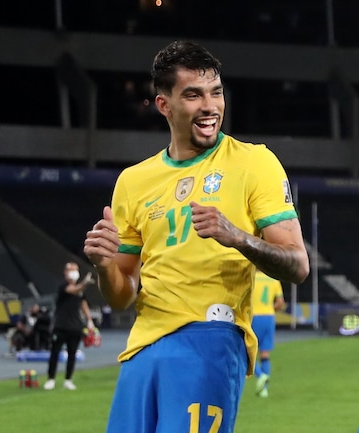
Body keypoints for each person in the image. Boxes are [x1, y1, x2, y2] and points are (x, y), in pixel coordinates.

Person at [83, 40, 309, 433]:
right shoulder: (133, 182)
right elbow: (122, 294)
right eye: (193, 95)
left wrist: (238, 236)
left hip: (210, 338)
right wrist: (105, 268)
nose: (210, 106)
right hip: (141, 346)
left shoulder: (254, 162)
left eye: (216, 92)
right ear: (164, 105)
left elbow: (297, 264)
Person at [44, 262, 95, 391]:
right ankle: (51, 379)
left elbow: (83, 304)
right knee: (54, 353)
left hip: (75, 326)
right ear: (66, 272)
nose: (75, 272)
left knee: (72, 354)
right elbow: (74, 290)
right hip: (61, 325)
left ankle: (68, 380)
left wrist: (89, 320)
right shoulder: (64, 286)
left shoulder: (80, 289)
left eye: (76, 270)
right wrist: (84, 284)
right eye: (72, 270)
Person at [251, 269, 286, 398]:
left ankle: (261, 375)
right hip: (269, 317)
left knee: (247, 353)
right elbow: (280, 302)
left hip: (254, 317)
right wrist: (272, 309)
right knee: (265, 355)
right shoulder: (273, 279)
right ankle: (264, 390)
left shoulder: (251, 278)